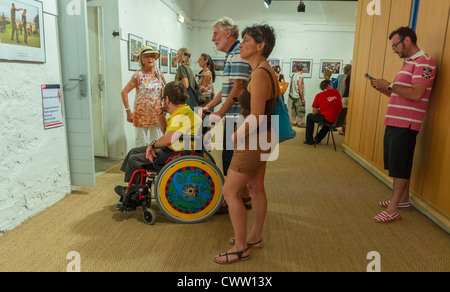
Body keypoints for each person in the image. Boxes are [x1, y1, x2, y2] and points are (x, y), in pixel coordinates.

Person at [214, 24, 278, 265]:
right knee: (255, 187)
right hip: (262, 136)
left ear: (260, 46)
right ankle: (254, 237)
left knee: (230, 191)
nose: (240, 44)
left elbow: (257, 115)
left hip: (255, 137)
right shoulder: (261, 69)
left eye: (246, 40)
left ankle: (241, 248)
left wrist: (236, 135)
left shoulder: (261, 72)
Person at [370, 27, 436, 223]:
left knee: (401, 165)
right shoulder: (409, 63)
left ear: (407, 40)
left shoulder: (424, 62)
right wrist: (383, 88)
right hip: (395, 119)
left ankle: (393, 208)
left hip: (407, 123)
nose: (394, 50)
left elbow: (417, 94)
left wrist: (389, 84)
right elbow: (400, 93)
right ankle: (404, 200)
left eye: (395, 45)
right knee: (396, 162)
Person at [115, 81, 202, 210]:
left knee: (135, 159)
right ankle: (132, 189)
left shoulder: (181, 115)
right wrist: (160, 116)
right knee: (134, 151)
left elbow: (168, 139)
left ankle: (133, 196)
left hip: (177, 154)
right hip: (178, 149)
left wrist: (153, 145)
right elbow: (166, 132)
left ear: (166, 99)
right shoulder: (183, 111)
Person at [200, 17, 253, 213]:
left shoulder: (238, 54)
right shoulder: (232, 54)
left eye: (215, 33)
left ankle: (233, 199)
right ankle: (245, 198)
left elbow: (238, 88)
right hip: (232, 116)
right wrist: (210, 106)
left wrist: (219, 113)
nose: (213, 39)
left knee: (231, 160)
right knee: (232, 158)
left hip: (237, 118)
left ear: (227, 33)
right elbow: (226, 89)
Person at [121, 46, 166, 148]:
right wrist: (128, 112)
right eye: (147, 56)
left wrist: (165, 106)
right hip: (141, 114)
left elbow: (166, 90)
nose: (150, 58)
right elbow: (124, 92)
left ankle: (153, 162)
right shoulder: (138, 75)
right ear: (142, 60)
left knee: (156, 142)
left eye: (152, 56)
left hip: (156, 113)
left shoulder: (159, 73)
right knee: (140, 143)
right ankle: (140, 162)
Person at [303, 80, 343, 145]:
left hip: (328, 120)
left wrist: (320, 110)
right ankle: (317, 139)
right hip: (339, 120)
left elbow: (314, 112)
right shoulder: (337, 92)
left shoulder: (319, 96)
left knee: (309, 116)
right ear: (328, 85)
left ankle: (309, 140)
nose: (332, 86)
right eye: (331, 84)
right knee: (327, 120)